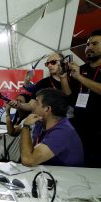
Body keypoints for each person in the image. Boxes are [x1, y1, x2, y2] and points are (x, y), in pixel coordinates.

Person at [20, 88, 84, 167]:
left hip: (68, 177)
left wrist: (26, 127)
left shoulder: (63, 132)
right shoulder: (41, 123)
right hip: (49, 173)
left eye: (36, 102)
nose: (33, 105)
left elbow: (28, 160)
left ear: (47, 109)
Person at [68, 29, 101, 167]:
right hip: (78, 129)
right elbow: (70, 95)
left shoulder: (79, 74)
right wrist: (64, 78)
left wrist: (80, 77)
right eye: (87, 44)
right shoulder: (80, 69)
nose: (89, 47)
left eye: (94, 44)